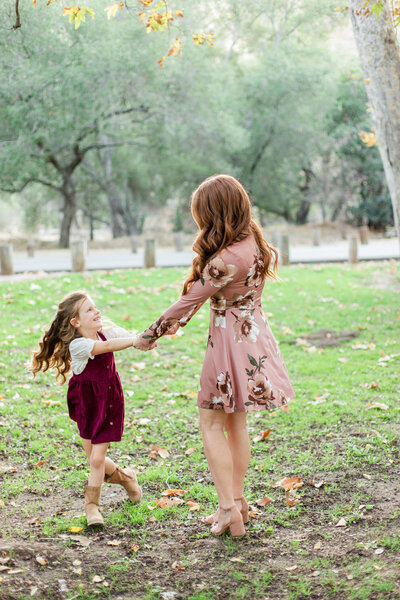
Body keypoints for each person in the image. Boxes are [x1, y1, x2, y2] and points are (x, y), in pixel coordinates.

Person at [133, 174, 295, 537]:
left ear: (214, 214)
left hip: (226, 344)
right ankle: (237, 503)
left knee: (210, 423)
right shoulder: (255, 240)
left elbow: (190, 301)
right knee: (236, 423)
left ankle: (227, 511)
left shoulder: (224, 259)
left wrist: (151, 334)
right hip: (253, 339)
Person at [31, 291, 153, 527]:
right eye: (89, 310)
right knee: (93, 458)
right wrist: (134, 340)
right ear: (75, 322)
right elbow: (106, 346)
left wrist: (149, 338)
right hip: (86, 403)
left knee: (97, 459)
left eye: (95, 307)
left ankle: (92, 507)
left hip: (107, 400)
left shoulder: (108, 332)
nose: (97, 311)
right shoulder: (78, 345)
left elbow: (132, 338)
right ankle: (127, 477)